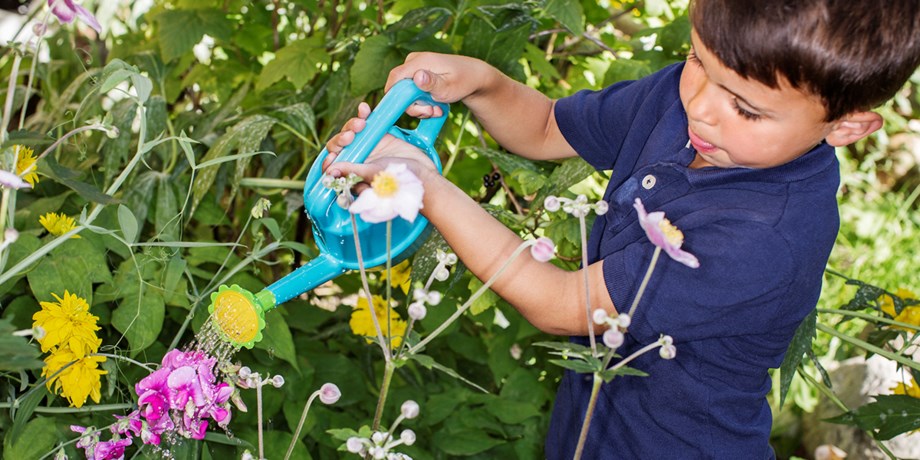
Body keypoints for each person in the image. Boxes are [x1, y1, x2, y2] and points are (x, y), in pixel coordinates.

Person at [323, 0, 920, 457]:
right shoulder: (688, 98)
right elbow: (549, 127)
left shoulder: (767, 235)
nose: (701, 106)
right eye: (696, 62)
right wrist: (481, 82)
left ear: (846, 126)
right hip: (590, 427)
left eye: (746, 108)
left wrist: (424, 186)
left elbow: (559, 303)